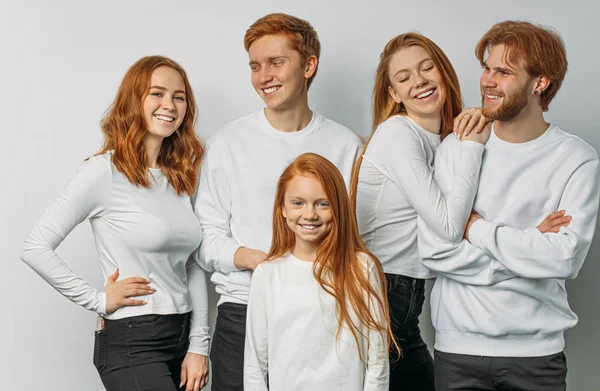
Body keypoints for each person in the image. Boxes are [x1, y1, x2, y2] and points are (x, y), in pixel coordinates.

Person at [418, 21, 600, 391]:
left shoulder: (577, 159)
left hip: (537, 357)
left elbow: (564, 259)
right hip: (458, 350)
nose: (487, 80)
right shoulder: (459, 147)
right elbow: (434, 251)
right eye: (487, 68)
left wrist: (477, 230)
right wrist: (530, 245)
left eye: (503, 72)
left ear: (540, 83)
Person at [20, 56, 210, 391]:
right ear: (134, 101)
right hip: (132, 339)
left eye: (178, 97)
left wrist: (199, 345)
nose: (169, 105)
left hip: (181, 336)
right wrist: (98, 300)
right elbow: (35, 246)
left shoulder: (181, 176)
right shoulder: (104, 172)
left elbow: (192, 263)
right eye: (157, 94)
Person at [195, 13, 362, 390]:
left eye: (276, 62)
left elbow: (354, 235)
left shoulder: (346, 145)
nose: (263, 76)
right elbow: (206, 239)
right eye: (255, 66)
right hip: (243, 311)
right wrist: (261, 262)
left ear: (309, 65)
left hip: (325, 313)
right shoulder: (227, 144)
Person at [351, 32, 491, 390]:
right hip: (380, 288)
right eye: (404, 77)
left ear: (443, 73)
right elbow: (447, 226)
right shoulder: (399, 133)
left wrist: (478, 119)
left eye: (427, 68)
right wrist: (473, 147)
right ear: (394, 95)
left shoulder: (443, 139)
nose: (420, 81)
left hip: (404, 291)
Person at [244, 153, 395, 391]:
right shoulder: (267, 274)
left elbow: (377, 358)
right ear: (282, 209)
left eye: (322, 203)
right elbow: (255, 366)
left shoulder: (362, 268)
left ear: (338, 208)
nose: (310, 214)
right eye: (298, 203)